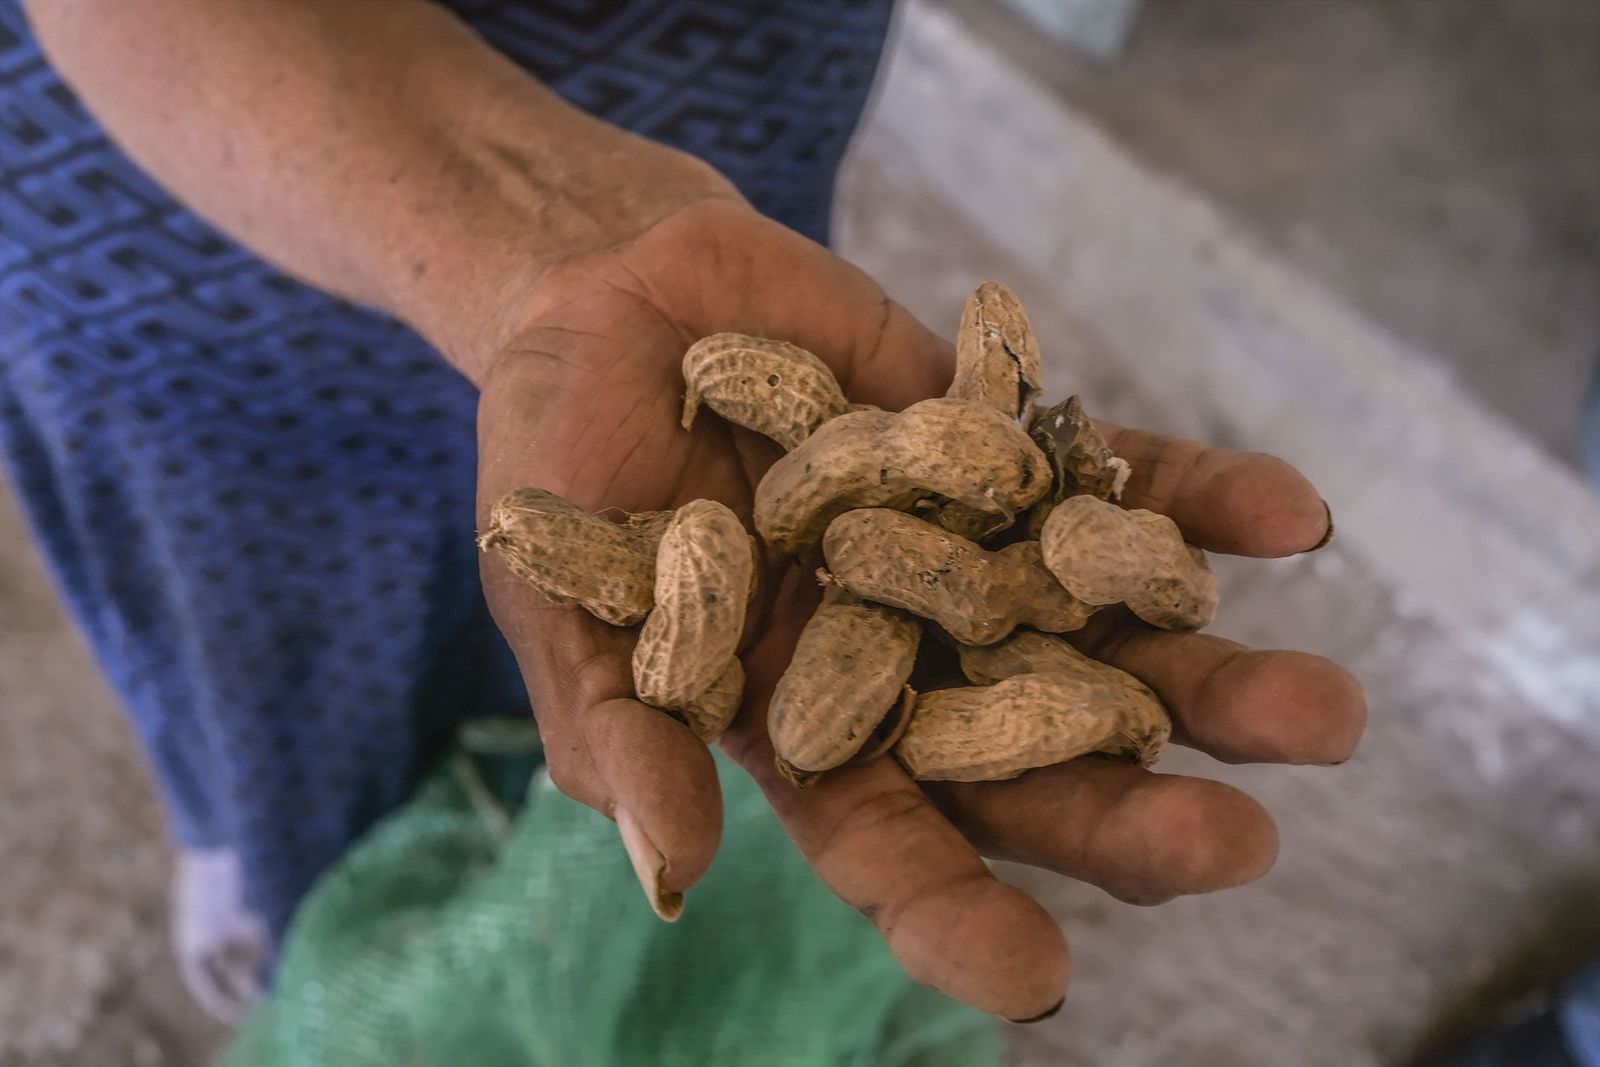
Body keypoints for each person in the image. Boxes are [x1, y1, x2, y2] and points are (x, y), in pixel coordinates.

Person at [0, 0, 1365, 1029]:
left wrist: (584, 236)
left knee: (605, 530)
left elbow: (900, 520)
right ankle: (266, 839)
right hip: (200, 146)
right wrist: (541, 230)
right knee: (258, 584)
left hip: (708, 67)